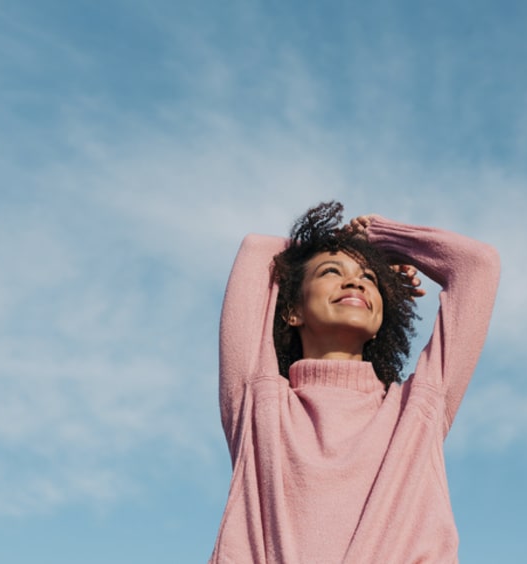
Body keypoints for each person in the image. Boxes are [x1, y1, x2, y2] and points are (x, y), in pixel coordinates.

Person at [210, 201, 500, 563]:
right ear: (292, 310)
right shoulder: (258, 401)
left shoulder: (416, 411)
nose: (354, 281)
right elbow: (257, 249)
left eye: (370, 278)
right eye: (331, 271)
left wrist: (380, 237)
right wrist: (342, 243)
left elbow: (477, 265)